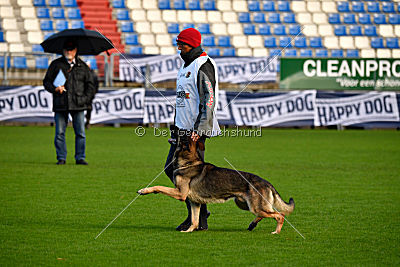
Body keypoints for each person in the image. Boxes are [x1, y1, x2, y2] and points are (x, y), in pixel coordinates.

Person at [165, 28, 221, 231]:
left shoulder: (203, 64)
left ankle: (198, 218)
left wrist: (199, 128)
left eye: (182, 44)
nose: (179, 47)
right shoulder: (186, 64)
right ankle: (199, 217)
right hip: (182, 129)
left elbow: (209, 99)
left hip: (194, 131)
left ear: (192, 44)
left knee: (185, 174)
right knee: (175, 171)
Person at [43, 40, 95, 165]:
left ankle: (80, 157)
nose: (68, 51)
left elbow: (90, 86)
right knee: (59, 132)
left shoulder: (83, 66)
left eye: (71, 49)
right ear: (63, 50)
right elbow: (46, 82)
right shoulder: (56, 65)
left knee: (81, 133)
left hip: (78, 104)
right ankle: (61, 158)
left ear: (76, 50)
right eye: (66, 49)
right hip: (61, 103)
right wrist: (55, 89)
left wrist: (84, 99)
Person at [85, 61, 99, 129]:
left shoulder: (93, 75)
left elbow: (96, 85)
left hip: (89, 95)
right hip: (82, 94)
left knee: (88, 108)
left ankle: (87, 121)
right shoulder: (82, 73)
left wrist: (93, 93)